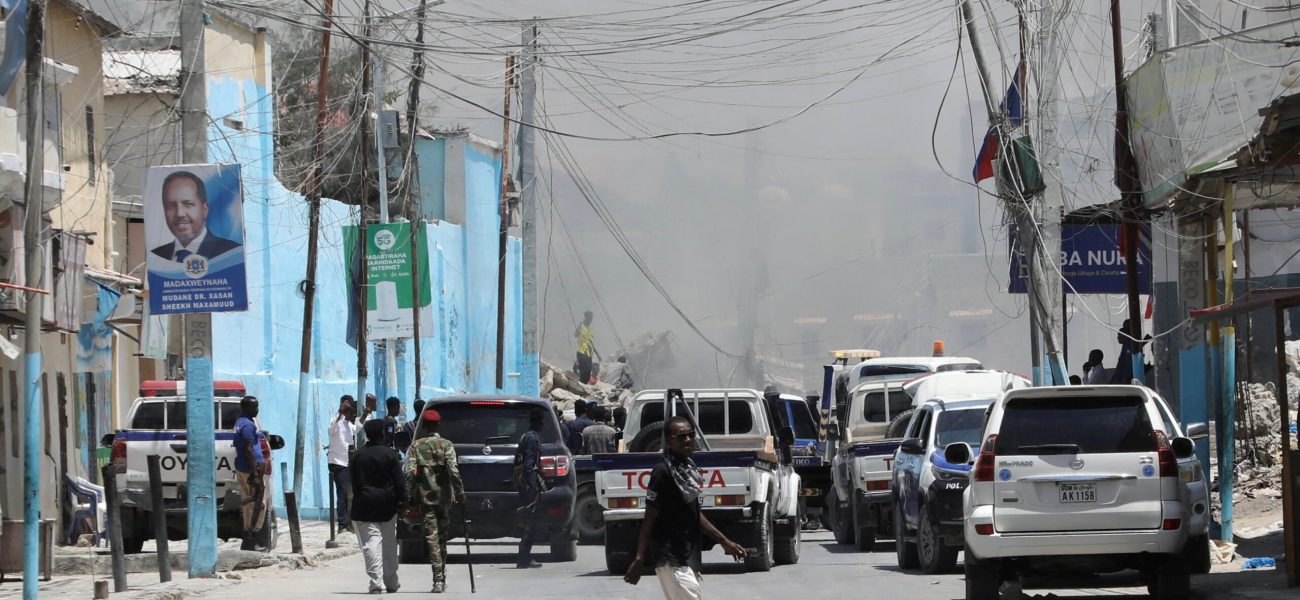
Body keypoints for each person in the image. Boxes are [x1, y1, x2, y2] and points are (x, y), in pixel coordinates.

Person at [624, 416, 746, 597]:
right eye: (681, 437)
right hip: (669, 555)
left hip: (687, 553)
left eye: (691, 435)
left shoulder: (687, 470)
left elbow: (695, 513)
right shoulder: (662, 472)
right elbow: (649, 518)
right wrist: (640, 558)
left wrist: (724, 541)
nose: (688, 440)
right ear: (669, 441)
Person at [405, 409, 466, 593]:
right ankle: (441, 575)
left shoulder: (416, 446)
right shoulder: (446, 445)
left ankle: (438, 578)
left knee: (431, 537)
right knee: (442, 538)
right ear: (438, 425)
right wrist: (460, 492)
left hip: (425, 499)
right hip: (444, 499)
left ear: (423, 426)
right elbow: (454, 471)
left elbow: (409, 473)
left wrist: (407, 496)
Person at [351, 419, 406, 594]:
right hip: (387, 506)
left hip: (364, 505)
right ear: (382, 433)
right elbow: (399, 483)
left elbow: (354, 483)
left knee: (372, 543)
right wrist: (404, 501)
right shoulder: (390, 455)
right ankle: (391, 581)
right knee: (389, 543)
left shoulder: (358, 456)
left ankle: (376, 582)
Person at [151, 170, 241, 262]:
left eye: (188, 204)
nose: (179, 213)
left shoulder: (231, 253)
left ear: (204, 209)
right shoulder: (155, 257)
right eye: (171, 206)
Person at [232, 395, 269, 552]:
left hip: (244, 468)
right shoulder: (247, 425)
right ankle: (250, 538)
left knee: (250, 504)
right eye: (254, 407)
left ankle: (249, 540)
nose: (257, 409)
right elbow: (248, 449)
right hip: (249, 471)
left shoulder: (241, 423)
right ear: (246, 408)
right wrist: (255, 474)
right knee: (257, 504)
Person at [514, 410, 545, 569]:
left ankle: (524, 556)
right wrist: (533, 486)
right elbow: (529, 464)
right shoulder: (532, 438)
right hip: (528, 485)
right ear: (538, 422)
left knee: (529, 520)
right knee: (531, 521)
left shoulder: (524, 436)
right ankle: (524, 557)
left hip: (523, 483)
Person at [328, 396, 360, 531]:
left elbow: (356, 429)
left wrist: (364, 415)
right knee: (342, 493)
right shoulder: (335, 420)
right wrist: (341, 412)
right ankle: (342, 524)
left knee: (348, 493)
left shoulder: (348, 424)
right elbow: (331, 429)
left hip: (347, 462)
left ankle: (348, 523)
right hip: (337, 462)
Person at [574, 311, 600, 384]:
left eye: (591, 319)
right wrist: (580, 324)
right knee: (584, 372)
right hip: (582, 353)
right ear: (586, 318)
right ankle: (579, 388)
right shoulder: (581, 326)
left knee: (588, 374)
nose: (590, 321)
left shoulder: (590, 330)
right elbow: (575, 334)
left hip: (589, 355)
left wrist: (597, 354)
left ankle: (582, 387)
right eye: (589, 319)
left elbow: (591, 343)